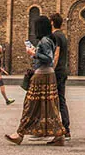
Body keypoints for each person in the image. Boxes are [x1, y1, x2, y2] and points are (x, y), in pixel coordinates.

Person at [5, 16, 65, 146]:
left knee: (30, 104)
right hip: (49, 74)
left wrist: (33, 53)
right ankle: (58, 135)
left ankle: (19, 134)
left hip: (42, 76)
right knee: (50, 106)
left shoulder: (44, 40)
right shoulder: (51, 39)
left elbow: (48, 58)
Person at [50, 13, 71, 142]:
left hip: (57, 71)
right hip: (63, 70)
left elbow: (56, 54)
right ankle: (66, 129)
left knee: (53, 101)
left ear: (52, 23)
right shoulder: (63, 36)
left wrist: (51, 69)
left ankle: (57, 130)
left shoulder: (55, 36)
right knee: (61, 100)